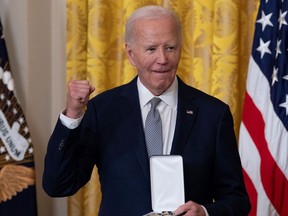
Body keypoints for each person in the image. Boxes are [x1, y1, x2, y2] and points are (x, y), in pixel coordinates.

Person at [42, 5, 251, 216]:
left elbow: (237, 200)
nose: (162, 59)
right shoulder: (103, 110)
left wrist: (205, 212)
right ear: (131, 55)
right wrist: (72, 115)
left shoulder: (213, 114)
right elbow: (58, 185)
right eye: (151, 49)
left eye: (170, 47)